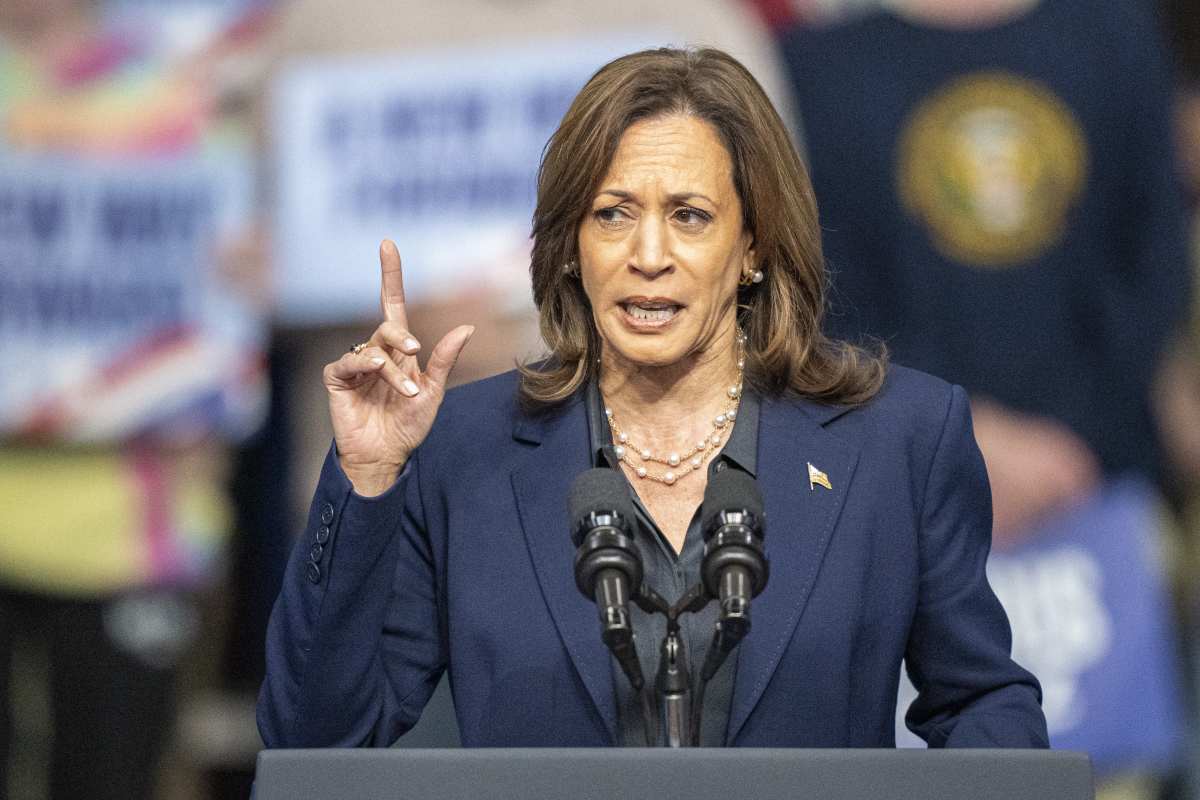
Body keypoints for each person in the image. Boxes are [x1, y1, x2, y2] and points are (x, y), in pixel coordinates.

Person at [258, 47, 1048, 748]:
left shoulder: (898, 440)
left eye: (690, 217)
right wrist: (365, 477)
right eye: (613, 215)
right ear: (569, 248)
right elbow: (319, 735)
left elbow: (980, 703)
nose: (648, 255)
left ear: (754, 248)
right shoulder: (462, 452)